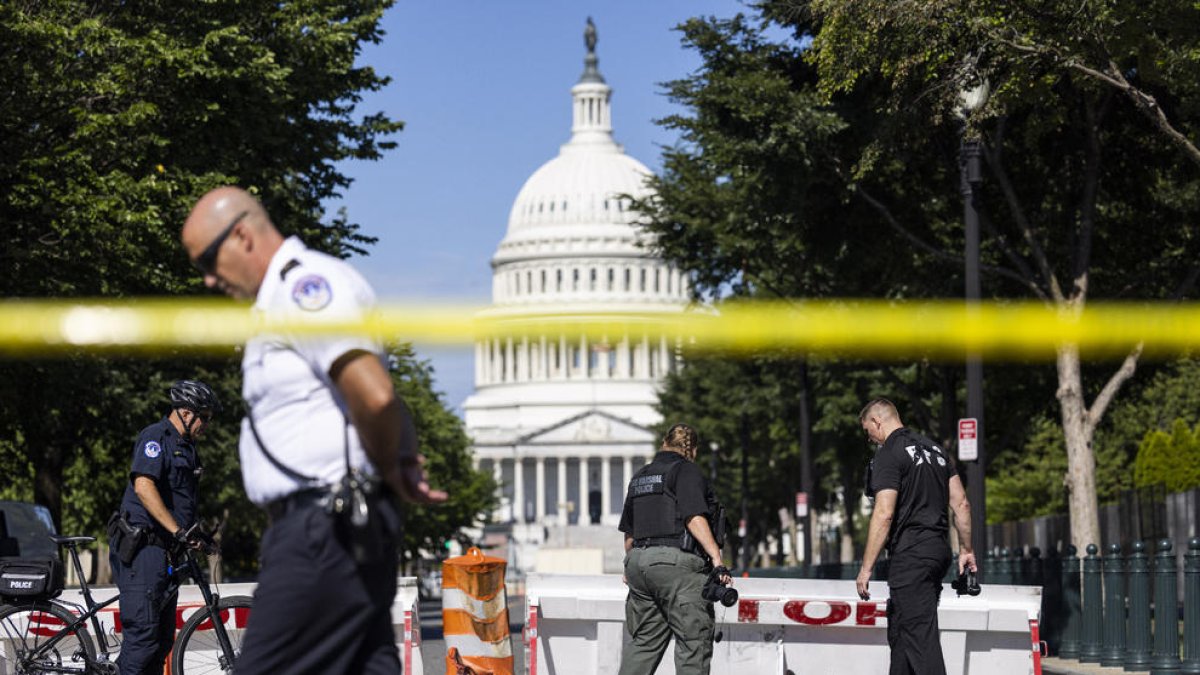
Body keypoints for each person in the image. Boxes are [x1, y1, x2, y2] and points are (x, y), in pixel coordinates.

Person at [181, 186, 448, 674]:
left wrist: (390, 465)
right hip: (334, 526)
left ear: (241, 235)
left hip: (321, 528)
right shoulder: (282, 300)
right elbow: (383, 396)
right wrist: (400, 458)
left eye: (207, 260)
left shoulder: (305, 290)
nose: (208, 279)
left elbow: (375, 394)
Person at [856, 398, 977, 675]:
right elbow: (961, 504)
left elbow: (884, 513)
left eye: (868, 432)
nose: (870, 439)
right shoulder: (936, 450)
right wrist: (967, 550)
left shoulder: (889, 452)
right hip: (937, 550)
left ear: (877, 421)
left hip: (911, 555)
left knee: (921, 639)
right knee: (902, 633)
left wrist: (866, 568)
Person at [110, 379, 220, 675]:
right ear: (186, 413)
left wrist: (194, 536)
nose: (206, 425)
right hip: (144, 549)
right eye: (205, 418)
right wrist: (176, 530)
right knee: (143, 640)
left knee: (161, 642)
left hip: (166, 554)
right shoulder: (155, 436)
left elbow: (179, 502)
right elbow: (144, 486)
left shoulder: (188, 448)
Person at [617, 423, 732, 675]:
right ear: (694, 450)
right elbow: (694, 518)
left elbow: (629, 533)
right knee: (693, 642)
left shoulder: (640, 476)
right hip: (675, 566)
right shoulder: (686, 471)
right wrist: (716, 559)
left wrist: (632, 565)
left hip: (638, 563)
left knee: (645, 641)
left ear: (663, 443)